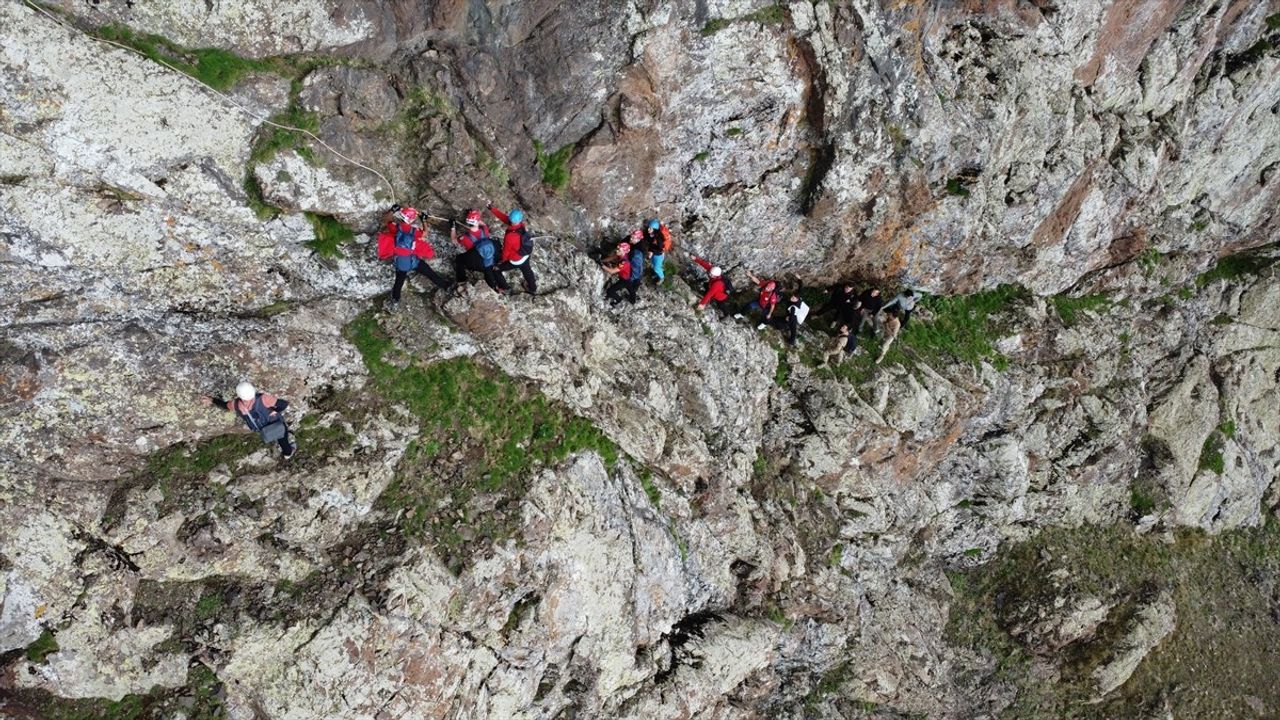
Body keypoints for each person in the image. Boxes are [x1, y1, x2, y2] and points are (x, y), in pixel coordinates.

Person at [375, 206, 450, 311]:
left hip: (400, 261)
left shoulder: (395, 227)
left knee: (399, 281)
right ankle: (446, 286)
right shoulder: (414, 231)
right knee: (429, 272)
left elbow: (387, 219)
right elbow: (425, 232)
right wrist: (423, 220)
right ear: (411, 219)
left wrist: (393, 210)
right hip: (413, 261)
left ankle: (395, 300)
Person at [201, 382, 295, 459]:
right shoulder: (264, 399)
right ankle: (287, 453)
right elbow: (284, 404)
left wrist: (212, 400)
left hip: (261, 428)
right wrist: (274, 411)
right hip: (275, 422)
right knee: (283, 439)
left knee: (277, 434)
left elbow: (225, 405)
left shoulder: (236, 405)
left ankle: (276, 440)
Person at [451, 209, 508, 293]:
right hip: (493, 256)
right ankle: (504, 286)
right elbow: (482, 223)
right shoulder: (484, 229)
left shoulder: (465, 238)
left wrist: (453, 227)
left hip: (479, 262)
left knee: (459, 259)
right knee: (492, 267)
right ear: (477, 221)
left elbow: (454, 240)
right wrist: (474, 216)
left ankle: (461, 280)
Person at [488, 204, 537, 295]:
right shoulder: (521, 226)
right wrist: (493, 210)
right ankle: (532, 288)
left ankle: (505, 288)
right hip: (525, 254)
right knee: (527, 271)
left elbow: (506, 251)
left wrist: (502, 261)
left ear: (511, 219)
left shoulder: (510, 236)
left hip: (516, 260)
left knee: (496, 270)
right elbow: (504, 218)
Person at [603, 241, 644, 305]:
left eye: (619, 250)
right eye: (617, 249)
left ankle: (619, 299)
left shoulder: (624, 262)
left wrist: (601, 265)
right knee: (630, 289)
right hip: (627, 278)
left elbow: (612, 271)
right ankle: (633, 300)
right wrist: (602, 261)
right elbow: (612, 257)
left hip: (625, 280)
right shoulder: (622, 254)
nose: (617, 251)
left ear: (624, 251)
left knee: (610, 291)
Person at [641, 218, 672, 283]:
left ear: (654, 229)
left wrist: (651, 251)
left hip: (658, 255)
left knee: (656, 268)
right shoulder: (650, 234)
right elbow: (649, 243)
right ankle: (657, 273)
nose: (648, 229)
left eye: (650, 228)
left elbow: (660, 248)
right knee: (654, 264)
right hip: (654, 254)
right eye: (649, 228)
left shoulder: (658, 238)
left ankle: (661, 277)